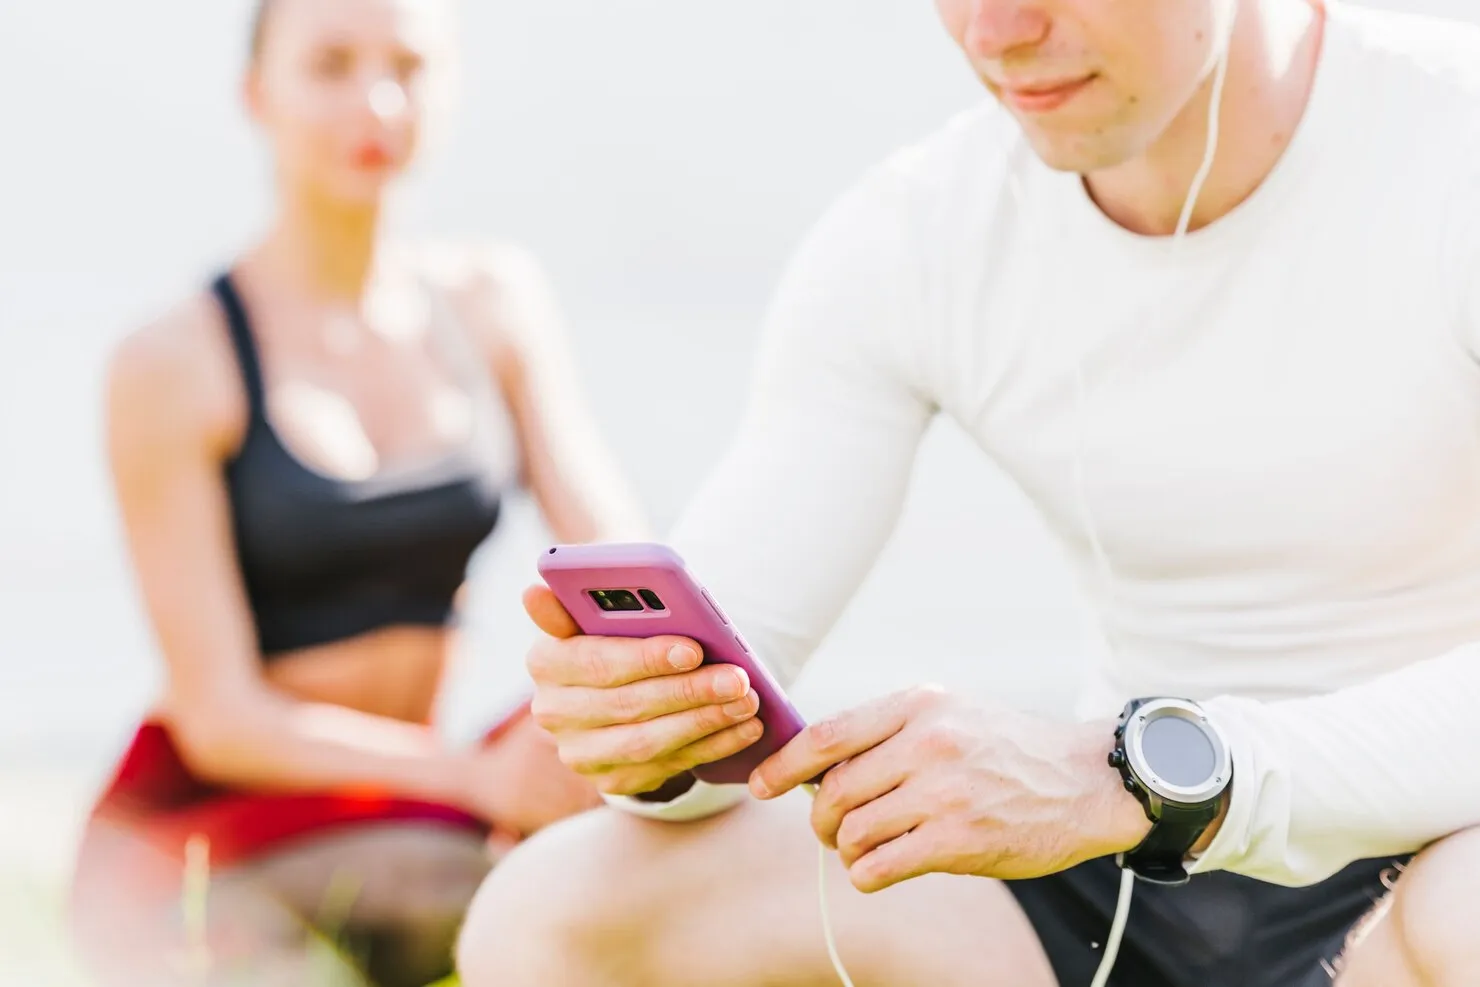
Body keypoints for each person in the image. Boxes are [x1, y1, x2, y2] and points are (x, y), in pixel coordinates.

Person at [454, 0, 1480, 985]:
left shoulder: (1448, 137)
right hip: (1128, 878)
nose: (996, 32)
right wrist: (651, 743)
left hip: (1430, 840)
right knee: (552, 912)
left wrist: (1140, 776)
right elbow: (730, 663)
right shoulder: (916, 232)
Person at [66, 0, 646, 984]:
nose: (376, 101)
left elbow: (624, 573)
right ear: (257, 94)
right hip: (221, 823)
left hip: (428, 789)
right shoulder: (172, 363)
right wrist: (479, 778)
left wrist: (686, 718)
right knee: (482, 889)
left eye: (410, 67)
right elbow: (222, 717)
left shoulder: (493, 303)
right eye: (330, 64)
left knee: (651, 850)